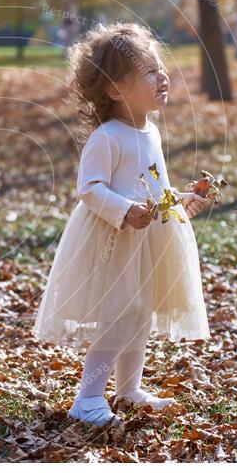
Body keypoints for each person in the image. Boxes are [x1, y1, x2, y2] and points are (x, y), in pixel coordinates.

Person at [32, 22, 213, 426]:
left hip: (149, 240)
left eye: (160, 67)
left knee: (141, 312)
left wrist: (180, 200)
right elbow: (90, 189)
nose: (162, 76)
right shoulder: (107, 137)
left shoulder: (150, 133)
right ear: (115, 89)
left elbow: (155, 184)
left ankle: (128, 389)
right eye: (149, 72)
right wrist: (124, 209)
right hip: (115, 240)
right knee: (119, 314)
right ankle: (88, 397)